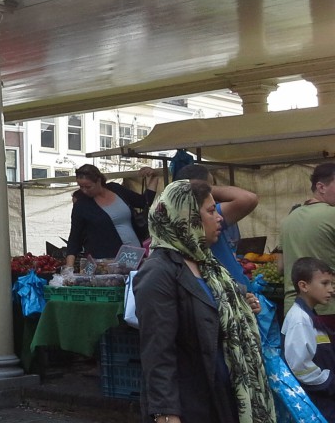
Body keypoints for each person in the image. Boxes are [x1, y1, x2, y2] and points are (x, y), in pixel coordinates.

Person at [134, 179, 275, 423]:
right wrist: (166, 414)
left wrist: (241, 306)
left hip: (225, 397)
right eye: (210, 211)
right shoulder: (159, 272)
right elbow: (158, 352)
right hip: (194, 404)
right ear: (186, 217)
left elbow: (214, 310)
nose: (219, 218)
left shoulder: (207, 263)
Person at [175, 164, 259, 287]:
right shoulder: (200, 215)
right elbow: (248, 198)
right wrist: (202, 189)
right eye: (211, 185)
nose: (218, 218)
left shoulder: (205, 216)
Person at [65, 163, 156, 269]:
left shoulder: (116, 189)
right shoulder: (81, 205)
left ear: (98, 180)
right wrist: (69, 268)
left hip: (134, 255)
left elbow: (143, 202)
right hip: (106, 262)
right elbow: (74, 238)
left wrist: (153, 176)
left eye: (88, 187)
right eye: (81, 187)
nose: (84, 191)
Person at [279, 163, 335, 328]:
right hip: (328, 309)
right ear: (321, 187)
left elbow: (280, 268)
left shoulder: (288, 220)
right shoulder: (332, 214)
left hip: (293, 309)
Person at [282, 256, 335, 419]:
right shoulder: (300, 320)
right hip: (318, 398)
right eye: (325, 283)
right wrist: (330, 382)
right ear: (303, 286)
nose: (332, 289)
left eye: (332, 284)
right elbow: (300, 366)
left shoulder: (309, 314)